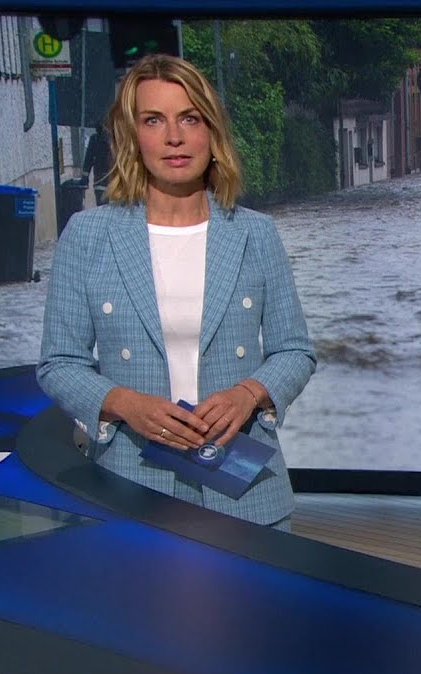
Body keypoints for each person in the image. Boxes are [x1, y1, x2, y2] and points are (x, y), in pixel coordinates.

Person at [38, 54, 316, 531]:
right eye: (154, 120)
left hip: (244, 489)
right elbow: (58, 363)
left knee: (249, 609)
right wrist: (127, 404)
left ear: (211, 132)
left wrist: (249, 394)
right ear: (132, 136)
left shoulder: (256, 234)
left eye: (189, 118)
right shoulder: (87, 235)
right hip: (130, 486)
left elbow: (295, 351)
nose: (174, 137)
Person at [82, 121, 113, 206]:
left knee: (111, 209)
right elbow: (89, 159)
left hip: (111, 180)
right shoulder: (95, 139)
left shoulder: (117, 139)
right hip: (102, 180)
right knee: (103, 208)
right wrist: (85, 177)